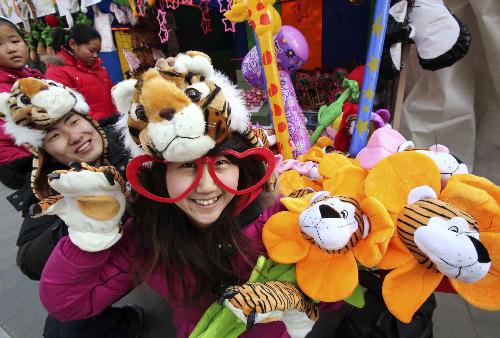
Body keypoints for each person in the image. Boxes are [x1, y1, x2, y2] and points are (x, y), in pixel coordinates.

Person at [37, 55, 342, 337]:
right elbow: (67, 304)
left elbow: (331, 294)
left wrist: (308, 280)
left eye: (221, 163)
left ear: (242, 165)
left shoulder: (276, 215)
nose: (207, 186)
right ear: (158, 175)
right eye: (185, 166)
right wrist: (91, 232)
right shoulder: (148, 234)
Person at [0, 76, 143, 338]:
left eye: (75, 121)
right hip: (123, 259)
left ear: (89, 119)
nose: (75, 136)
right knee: (62, 330)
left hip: (170, 236)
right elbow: (30, 261)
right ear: (45, 152)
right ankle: (126, 323)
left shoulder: (130, 135)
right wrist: (78, 220)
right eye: (55, 135)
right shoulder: (50, 183)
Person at [0, 17, 41, 189]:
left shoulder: (32, 76)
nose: (11, 49)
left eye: (15, 41)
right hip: (26, 166)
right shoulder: (4, 89)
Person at [44, 24, 116, 120]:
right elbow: (67, 110)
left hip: (113, 123)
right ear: (73, 44)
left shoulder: (97, 67)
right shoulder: (56, 72)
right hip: (92, 129)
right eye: (91, 50)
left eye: (98, 52)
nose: (95, 56)